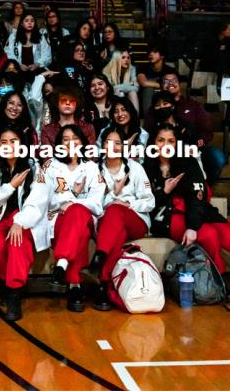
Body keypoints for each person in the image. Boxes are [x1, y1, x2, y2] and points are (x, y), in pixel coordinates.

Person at [144, 123, 230, 290]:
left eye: (171, 141)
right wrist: (164, 191)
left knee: (226, 233)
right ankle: (221, 281)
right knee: (209, 234)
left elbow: (197, 198)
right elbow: (147, 203)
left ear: (177, 144)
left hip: (196, 212)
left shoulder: (188, 162)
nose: (166, 145)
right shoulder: (146, 166)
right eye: (161, 140)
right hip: (166, 217)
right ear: (153, 143)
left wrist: (191, 226)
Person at [0, 125, 50, 321]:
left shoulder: (33, 167)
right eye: (3, 142)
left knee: (17, 242)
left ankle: (14, 294)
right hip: (0, 216)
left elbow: (39, 200)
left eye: (13, 141)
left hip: (25, 217)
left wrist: (20, 221)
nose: (8, 145)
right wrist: (10, 187)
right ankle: (8, 283)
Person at [82, 126, 155, 310]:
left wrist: (128, 205)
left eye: (117, 143)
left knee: (115, 211)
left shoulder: (135, 168)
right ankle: (103, 284)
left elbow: (149, 201)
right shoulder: (94, 169)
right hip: (108, 223)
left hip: (136, 219)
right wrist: (112, 196)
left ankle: (99, 257)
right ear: (102, 145)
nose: (113, 147)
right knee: (117, 231)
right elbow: (91, 202)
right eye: (108, 142)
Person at [45, 125, 105, 311]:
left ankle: (61, 266)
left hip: (84, 217)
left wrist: (71, 202)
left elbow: (97, 203)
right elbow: (47, 198)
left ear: (82, 142)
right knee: (79, 227)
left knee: (78, 213)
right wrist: (73, 196)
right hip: (57, 220)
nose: (71, 142)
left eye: (75, 138)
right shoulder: (51, 166)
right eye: (65, 139)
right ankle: (74, 286)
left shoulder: (92, 167)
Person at [145, 70, 225, 184]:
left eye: (174, 80)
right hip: (163, 152)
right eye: (166, 81)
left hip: (192, 148)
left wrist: (197, 143)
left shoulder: (192, 104)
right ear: (161, 85)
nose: (170, 83)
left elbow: (206, 129)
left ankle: (204, 187)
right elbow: (149, 131)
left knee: (217, 157)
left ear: (179, 83)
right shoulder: (154, 109)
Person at [136, 42, 173, 115]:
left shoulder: (170, 70)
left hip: (164, 97)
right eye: (149, 52)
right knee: (148, 89)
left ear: (162, 56)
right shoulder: (143, 68)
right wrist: (162, 85)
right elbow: (144, 83)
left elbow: (171, 86)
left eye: (155, 52)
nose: (150, 54)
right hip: (147, 98)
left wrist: (153, 84)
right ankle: (149, 118)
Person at [85, 73, 114, 138]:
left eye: (100, 84)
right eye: (92, 85)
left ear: (108, 86)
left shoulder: (118, 102)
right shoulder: (85, 107)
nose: (97, 88)